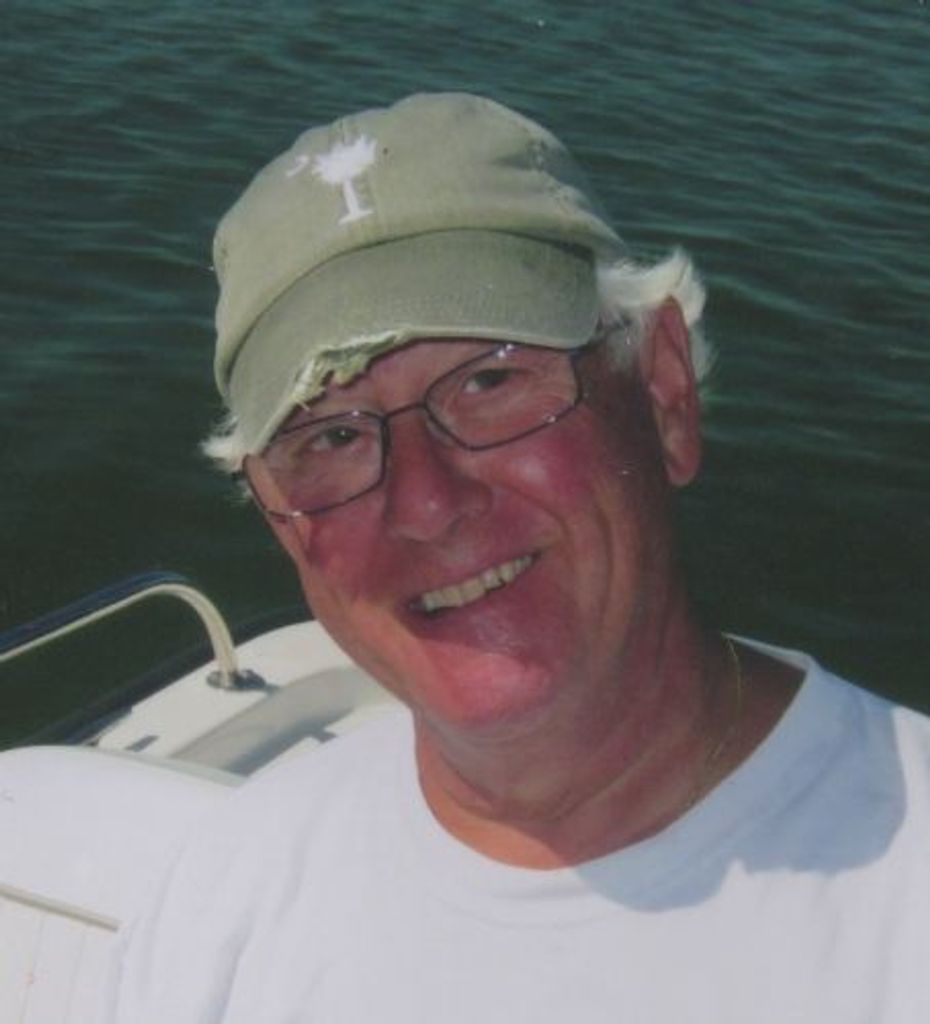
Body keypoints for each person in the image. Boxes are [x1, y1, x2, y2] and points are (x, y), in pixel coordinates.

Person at [107, 93, 930, 1022]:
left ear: (662, 394)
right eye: (330, 437)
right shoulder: (226, 899)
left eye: (490, 379)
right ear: (277, 518)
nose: (424, 504)